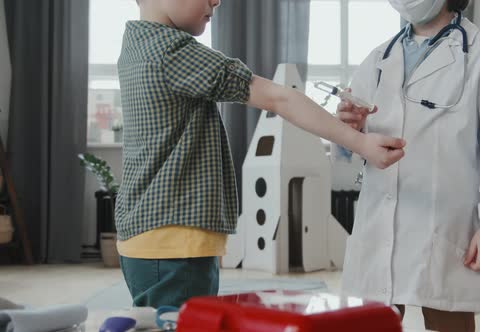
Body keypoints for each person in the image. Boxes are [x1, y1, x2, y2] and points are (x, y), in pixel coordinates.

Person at [114, 0, 406, 308]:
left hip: (147, 234)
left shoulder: (135, 44)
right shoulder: (172, 51)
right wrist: (360, 143)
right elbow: (279, 98)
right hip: (171, 240)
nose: (217, 1)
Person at [334, 0, 480, 331]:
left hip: (447, 219)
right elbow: (355, 139)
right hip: (380, 212)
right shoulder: (379, 58)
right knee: (371, 319)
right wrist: (350, 126)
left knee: (447, 315)